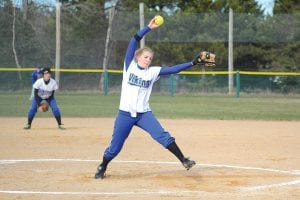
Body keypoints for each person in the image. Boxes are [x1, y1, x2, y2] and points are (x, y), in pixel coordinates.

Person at [94, 16, 205, 179]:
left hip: (144, 114)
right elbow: (134, 40)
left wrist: (192, 63)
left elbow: (173, 69)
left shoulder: (153, 72)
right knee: (115, 147)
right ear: (138, 57)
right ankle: (103, 165)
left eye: (150, 58)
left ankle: (184, 160)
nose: (148, 60)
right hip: (125, 114)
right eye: (146, 57)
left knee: (163, 136)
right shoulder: (129, 66)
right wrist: (148, 28)